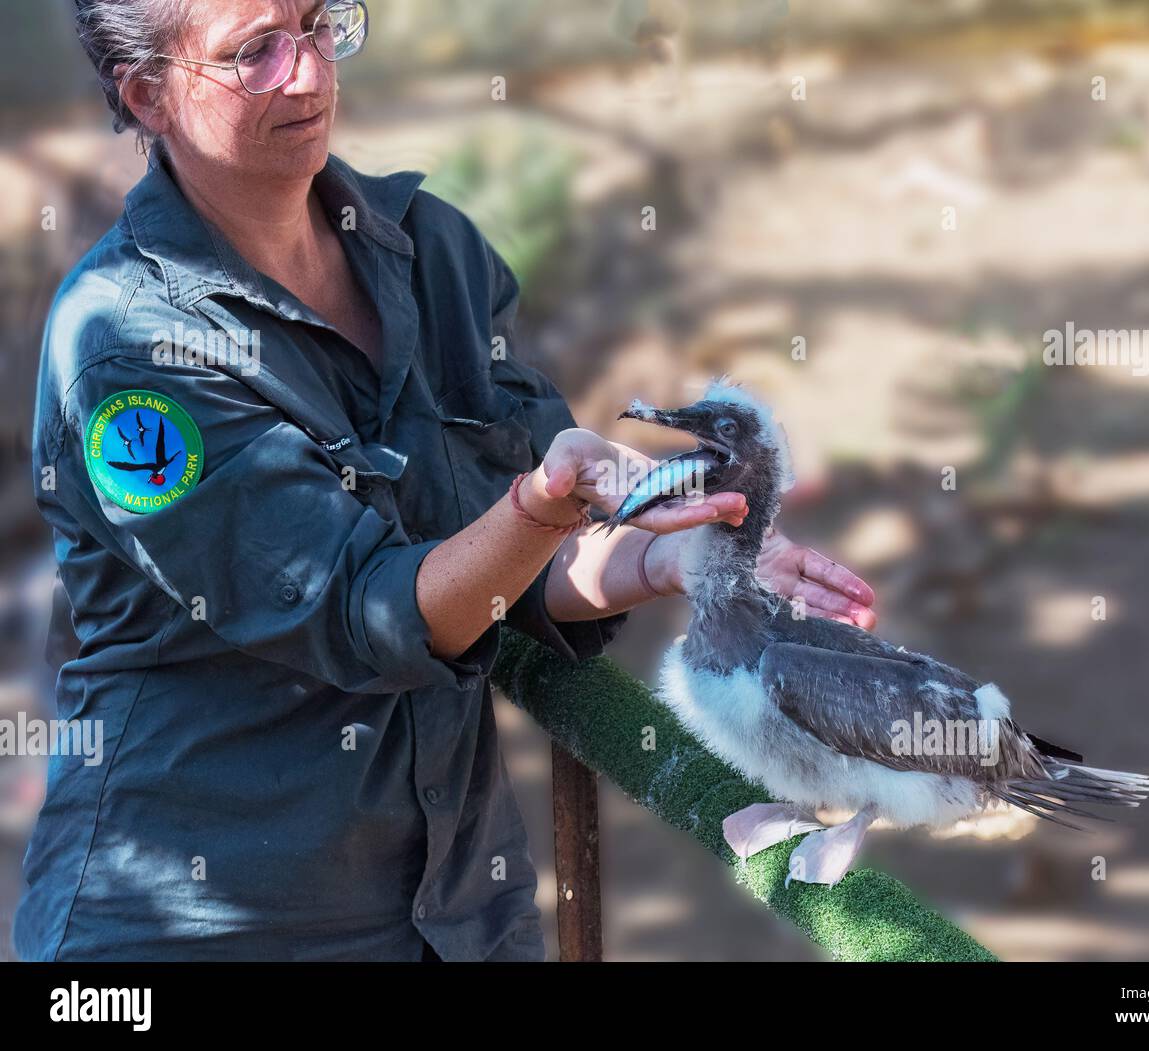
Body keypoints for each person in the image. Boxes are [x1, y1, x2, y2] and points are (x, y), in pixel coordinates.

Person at [16, 0, 877, 961]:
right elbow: (370, 612)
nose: (305, 71)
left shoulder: (432, 251)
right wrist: (540, 505)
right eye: (252, 52)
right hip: (202, 925)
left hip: (453, 911)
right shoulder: (127, 347)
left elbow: (507, 562)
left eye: (315, 20)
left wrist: (679, 553)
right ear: (149, 94)